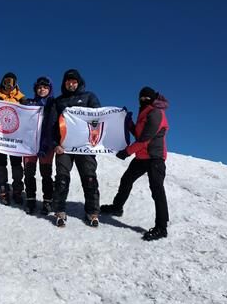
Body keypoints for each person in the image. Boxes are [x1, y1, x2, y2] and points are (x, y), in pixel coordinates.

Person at [100, 86, 169, 241]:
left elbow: (145, 139)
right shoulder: (144, 113)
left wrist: (127, 152)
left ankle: (161, 227)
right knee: (126, 180)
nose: (144, 99)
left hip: (155, 158)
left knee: (157, 190)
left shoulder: (156, 113)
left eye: (147, 97)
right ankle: (117, 207)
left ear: (153, 98)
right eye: (141, 97)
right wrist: (129, 122)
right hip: (142, 157)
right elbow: (139, 134)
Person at [52, 69, 101, 227]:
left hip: (84, 146)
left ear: (79, 83)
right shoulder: (58, 101)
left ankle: (92, 212)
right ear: (64, 83)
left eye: (74, 81)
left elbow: (98, 117)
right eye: (68, 81)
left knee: (89, 178)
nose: (71, 84)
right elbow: (52, 125)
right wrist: (55, 144)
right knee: (61, 178)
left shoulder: (89, 97)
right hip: (64, 146)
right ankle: (59, 210)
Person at [0, 72, 26, 205]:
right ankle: (3, 189)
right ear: (2, 82)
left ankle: (17, 190)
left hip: (15, 138)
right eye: (6, 82)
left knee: (17, 164)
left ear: (15, 84)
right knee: (0, 164)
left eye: (11, 82)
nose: (8, 85)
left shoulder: (21, 99)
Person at [23, 76, 56, 215]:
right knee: (29, 173)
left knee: (46, 174)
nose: (42, 89)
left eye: (45, 87)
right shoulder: (29, 103)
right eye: (39, 87)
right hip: (29, 144)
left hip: (47, 144)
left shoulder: (54, 103)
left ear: (50, 89)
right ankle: (30, 200)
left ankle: (48, 201)